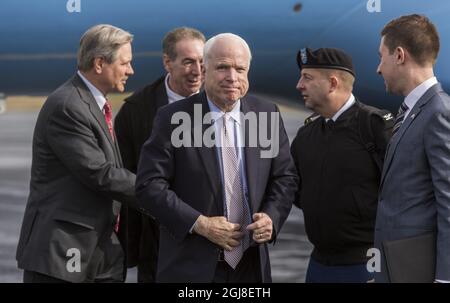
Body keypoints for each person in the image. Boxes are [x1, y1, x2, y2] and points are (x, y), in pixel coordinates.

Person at [135, 33, 298, 282]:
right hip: (192, 267)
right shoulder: (173, 118)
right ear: (204, 69)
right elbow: (149, 186)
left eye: (240, 69)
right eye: (223, 67)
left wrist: (271, 217)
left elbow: (284, 177)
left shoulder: (266, 114)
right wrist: (200, 224)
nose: (232, 77)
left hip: (250, 267)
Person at [16, 24, 142, 283]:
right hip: (63, 255)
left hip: (99, 250)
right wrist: (158, 192)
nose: (131, 70)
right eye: (125, 63)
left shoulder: (94, 103)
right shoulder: (68, 106)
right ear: (99, 64)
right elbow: (100, 173)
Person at [290, 47, 393, 282]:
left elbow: (404, 191)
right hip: (318, 264)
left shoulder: (374, 127)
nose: (299, 85)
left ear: (333, 83)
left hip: (365, 265)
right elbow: (295, 191)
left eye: (307, 77)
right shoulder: (306, 136)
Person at [114, 27, 205, 283]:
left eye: (202, 61)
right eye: (188, 62)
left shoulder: (224, 100)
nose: (197, 71)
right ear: (167, 62)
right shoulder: (136, 111)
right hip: (157, 244)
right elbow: (125, 175)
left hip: (214, 242)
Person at [374, 14, 450, 283]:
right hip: (397, 267)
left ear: (399, 55)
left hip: (416, 270)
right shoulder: (413, 111)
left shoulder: (438, 112)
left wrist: (444, 278)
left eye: (381, 57)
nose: (378, 68)